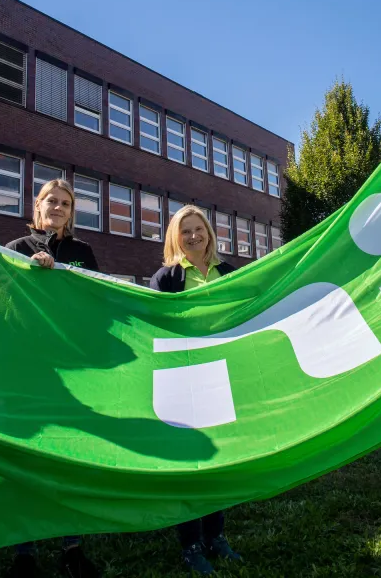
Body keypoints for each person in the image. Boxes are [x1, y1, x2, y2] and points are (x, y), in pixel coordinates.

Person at [2, 177, 100, 578]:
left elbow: (96, 302)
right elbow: (3, 306)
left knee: (68, 459)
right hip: (26, 373)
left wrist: (59, 274)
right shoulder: (12, 250)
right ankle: (24, 553)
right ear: (37, 206)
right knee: (26, 461)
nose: (57, 208)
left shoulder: (83, 251)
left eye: (65, 203)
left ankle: (71, 546)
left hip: (72, 371)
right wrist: (32, 275)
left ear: (71, 212)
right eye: (51, 201)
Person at [149, 205, 242, 576]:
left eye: (198, 229)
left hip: (220, 375)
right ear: (176, 237)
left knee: (217, 463)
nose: (193, 236)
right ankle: (190, 545)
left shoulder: (229, 272)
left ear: (209, 232)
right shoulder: (166, 277)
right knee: (189, 465)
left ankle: (215, 537)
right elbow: (154, 327)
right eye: (184, 231)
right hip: (182, 381)